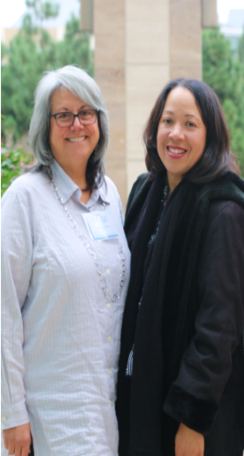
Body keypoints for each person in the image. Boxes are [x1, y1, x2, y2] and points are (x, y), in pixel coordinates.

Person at [115, 78, 244, 456]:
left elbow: (219, 327)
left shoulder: (225, 211)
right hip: (143, 393)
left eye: (190, 124)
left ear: (210, 135)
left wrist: (191, 419)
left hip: (194, 415)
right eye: (168, 121)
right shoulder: (147, 192)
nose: (176, 134)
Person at [1, 65, 131, 456]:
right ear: (46, 125)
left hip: (108, 412)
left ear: (99, 122)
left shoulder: (110, 195)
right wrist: (11, 414)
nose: (77, 124)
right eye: (63, 114)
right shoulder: (24, 199)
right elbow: (3, 312)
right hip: (50, 420)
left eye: (86, 112)